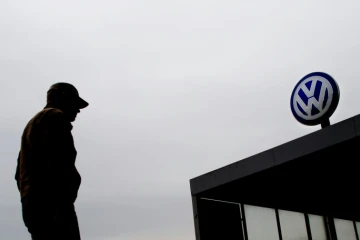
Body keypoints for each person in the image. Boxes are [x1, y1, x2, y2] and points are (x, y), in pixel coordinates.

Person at [15, 83, 89, 240]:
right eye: (75, 104)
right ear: (61, 98)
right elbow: (61, 163)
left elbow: (18, 173)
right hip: (52, 202)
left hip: (32, 203)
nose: (78, 110)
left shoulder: (31, 126)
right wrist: (61, 201)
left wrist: (29, 197)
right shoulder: (55, 117)